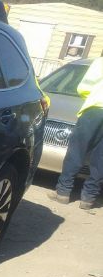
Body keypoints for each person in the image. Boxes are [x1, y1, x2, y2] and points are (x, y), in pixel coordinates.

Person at [49, 56, 103, 210]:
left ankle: (63, 192)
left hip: (94, 110)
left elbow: (84, 87)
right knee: (101, 157)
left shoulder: (100, 62)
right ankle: (88, 198)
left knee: (76, 151)